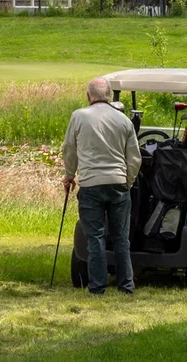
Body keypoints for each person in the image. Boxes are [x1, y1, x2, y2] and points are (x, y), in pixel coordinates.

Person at [62, 76, 142, 295]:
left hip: (90, 184)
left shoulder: (79, 116)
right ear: (108, 96)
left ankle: (98, 286)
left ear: (89, 96)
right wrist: (128, 181)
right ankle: (126, 285)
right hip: (118, 183)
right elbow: (134, 158)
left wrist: (69, 175)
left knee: (95, 237)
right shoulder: (123, 120)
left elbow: (70, 148)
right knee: (120, 237)